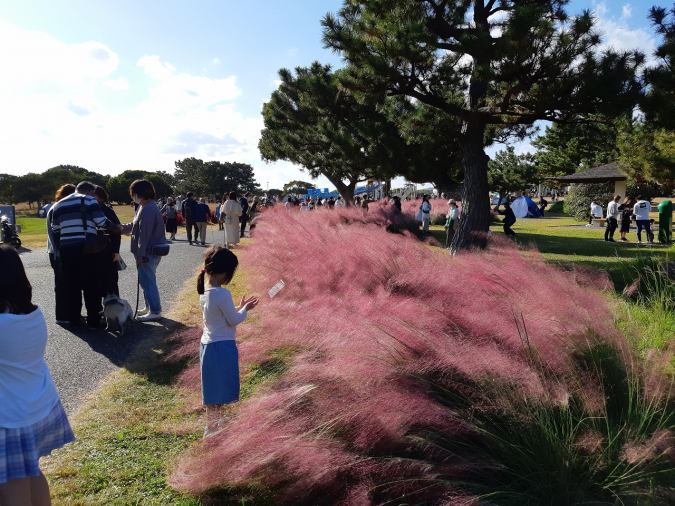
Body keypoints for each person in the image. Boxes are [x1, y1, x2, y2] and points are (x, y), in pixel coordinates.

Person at [0, 245, 75, 505]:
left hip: (9, 419)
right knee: (32, 472)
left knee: (10, 488)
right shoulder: (33, 314)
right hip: (37, 406)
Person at [197, 245, 258, 437]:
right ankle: (212, 429)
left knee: (214, 388)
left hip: (208, 345)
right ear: (225, 273)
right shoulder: (222, 293)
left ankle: (214, 422)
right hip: (221, 347)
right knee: (220, 388)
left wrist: (236, 307)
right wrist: (244, 310)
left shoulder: (205, 289)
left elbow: (218, 314)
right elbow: (233, 320)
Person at [51, 181, 121, 330]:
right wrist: (116, 228)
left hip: (66, 250)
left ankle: (75, 321)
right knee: (91, 285)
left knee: (72, 286)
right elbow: (101, 222)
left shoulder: (59, 204)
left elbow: (55, 228)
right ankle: (93, 322)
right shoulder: (88, 200)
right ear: (90, 191)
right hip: (86, 248)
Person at [121, 179, 167, 321]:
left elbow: (144, 234)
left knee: (148, 282)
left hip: (147, 253)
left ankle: (155, 311)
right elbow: (135, 226)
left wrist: (140, 254)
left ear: (138, 193)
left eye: (134, 193)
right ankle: (150, 307)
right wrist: (119, 228)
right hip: (147, 252)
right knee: (146, 282)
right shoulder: (145, 206)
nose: (133, 196)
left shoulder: (147, 208)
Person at [46, 184, 76, 324]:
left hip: (57, 251)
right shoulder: (57, 209)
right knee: (62, 283)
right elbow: (55, 234)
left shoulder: (57, 207)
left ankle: (66, 314)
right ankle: (63, 316)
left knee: (65, 283)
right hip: (57, 252)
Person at [94, 186, 122, 297]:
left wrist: (116, 250)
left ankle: (114, 309)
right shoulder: (88, 209)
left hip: (107, 250)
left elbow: (117, 231)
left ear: (101, 197)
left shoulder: (107, 211)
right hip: (93, 251)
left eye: (93, 195)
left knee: (110, 282)